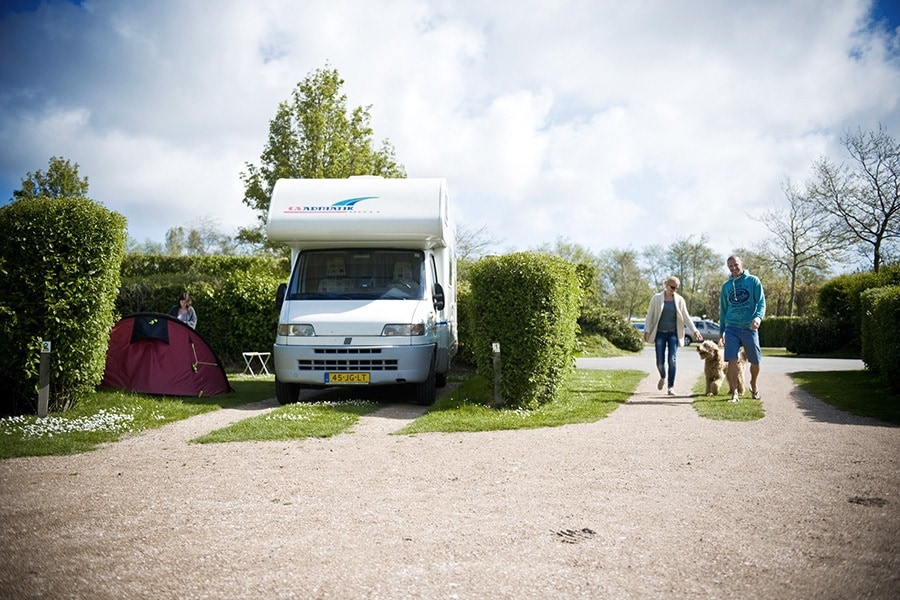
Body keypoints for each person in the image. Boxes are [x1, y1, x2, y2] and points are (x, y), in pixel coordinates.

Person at [644, 276, 703, 395]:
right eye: (672, 287)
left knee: (672, 359)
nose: (674, 290)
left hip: (673, 333)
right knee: (660, 361)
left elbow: (686, 317)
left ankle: (671, 387)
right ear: (666, 285)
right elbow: (650, 315)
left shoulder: (679, 300)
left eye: (677, 288)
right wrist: (647, 330)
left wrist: (695, 330)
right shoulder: (656, 298)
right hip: (660, 333)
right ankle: (663, 376)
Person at [718, 255, 766, 402]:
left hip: (749, 328)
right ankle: (735, 392)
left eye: (736, 265)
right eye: (730, 266)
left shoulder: (753, 281)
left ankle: (753, 384)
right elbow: (723, 310)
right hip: (731, 327)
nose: (733, 268)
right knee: (731, 360)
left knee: (755, 361)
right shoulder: (726, 286)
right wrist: (721, 333)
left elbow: (761, 303)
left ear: (742, 264)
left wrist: (757, 318)